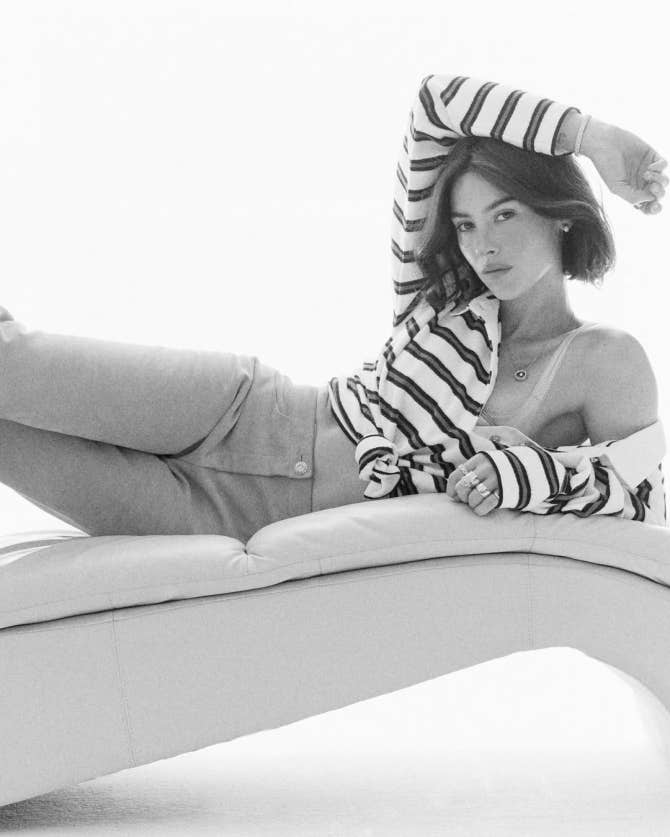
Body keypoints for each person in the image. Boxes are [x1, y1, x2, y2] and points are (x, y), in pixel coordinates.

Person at [0, 72, 667, 542]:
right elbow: (436, 104)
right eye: (466, 224)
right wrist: (594, 138)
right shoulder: (442, 294)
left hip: (230, 520)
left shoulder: (603, 360)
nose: (482, 245)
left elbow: (644, 506)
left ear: (560, 214)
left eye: (505, 214)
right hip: (239, 413)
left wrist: (525, 472)